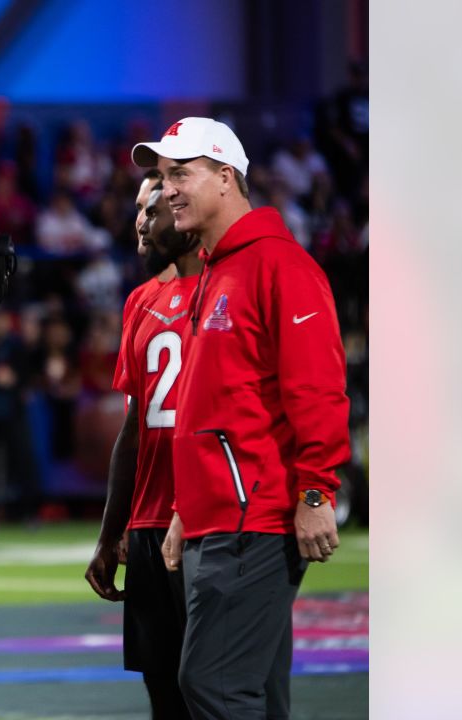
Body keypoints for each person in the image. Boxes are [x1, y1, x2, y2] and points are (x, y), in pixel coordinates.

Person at [131, 117, 350, 719]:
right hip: (219, 515)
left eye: (181, 173)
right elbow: (215, 403)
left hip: (255, 514)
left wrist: (315, 492)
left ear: (226, 177)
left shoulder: (282, 267)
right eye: (161, 175)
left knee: (214, 685)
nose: (166, 189)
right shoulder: (219, 270)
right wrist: (185, 509)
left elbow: (320, 390)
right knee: (255, 692)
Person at [84, 169, 200, 718]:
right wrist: (112, 534)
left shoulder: (223, 288)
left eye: (149, 206)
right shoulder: (140, 302)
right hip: (150, 523)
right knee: (163, 692)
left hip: (209, 520)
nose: (138, 218)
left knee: (217, 688)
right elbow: (132, 433)